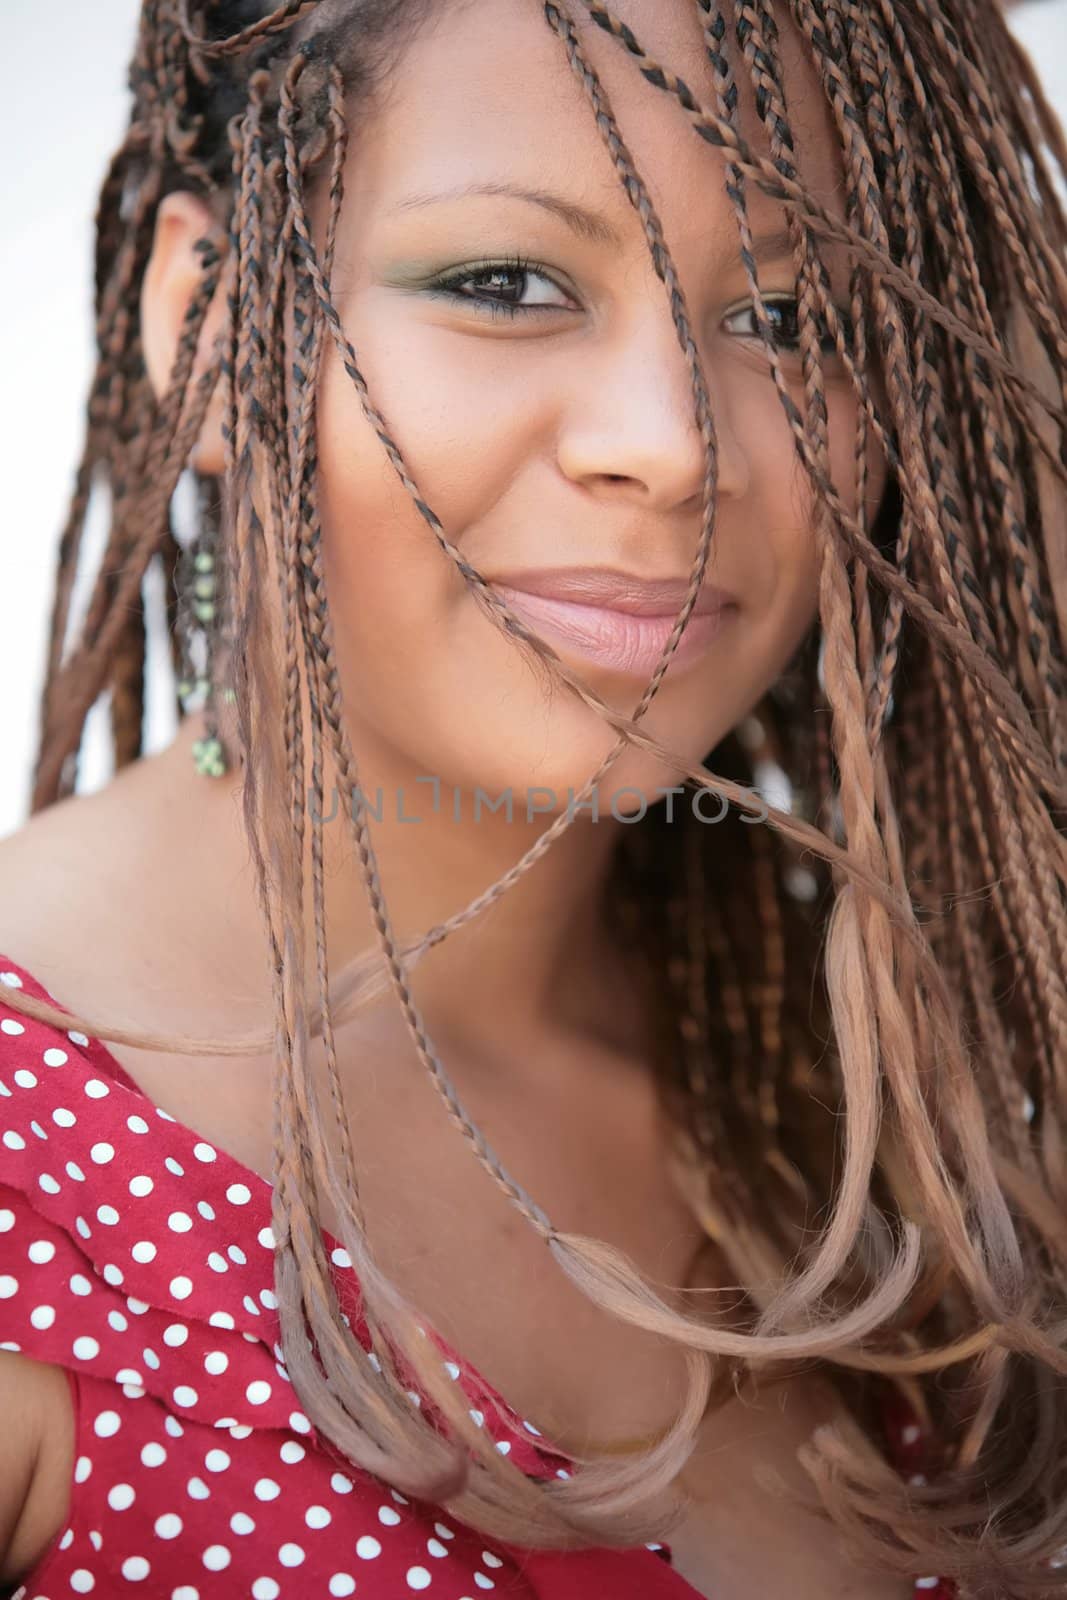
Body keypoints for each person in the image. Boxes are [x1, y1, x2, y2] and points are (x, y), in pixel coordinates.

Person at [2, 0, 1067, 1594]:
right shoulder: (32, 1183)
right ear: (208, 323)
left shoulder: (903, 1099)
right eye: (508, 285)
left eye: (788, 320)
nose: (672, 446)